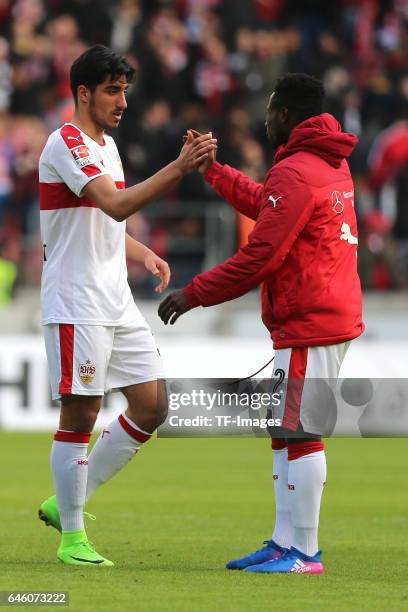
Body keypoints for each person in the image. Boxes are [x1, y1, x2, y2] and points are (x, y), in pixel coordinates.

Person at [158, 73, 364, 574]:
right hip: (319, 312)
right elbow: (268, 207)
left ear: (287, 116)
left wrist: (194, 293)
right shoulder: (323, 163)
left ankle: (304, 554)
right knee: (283, 428)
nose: (266, 118)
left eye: (271, 111)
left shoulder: (296, 170)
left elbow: (261, 256)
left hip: (309, 319)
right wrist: (214, 171)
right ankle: (282, 541)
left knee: (301, 430)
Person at [38, 44, 216, 567]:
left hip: (114, 299)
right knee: (81, 413)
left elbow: (105, 222)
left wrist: (142, 252)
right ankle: (72, 537)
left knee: (152, 405)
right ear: (84, 92)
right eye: (113, 91)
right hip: (76, 302)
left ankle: (65, 502)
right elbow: (115, 203)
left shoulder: (107, 145)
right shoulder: (65, 143)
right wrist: (179, 168)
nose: (122, 101)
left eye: (125, 91)